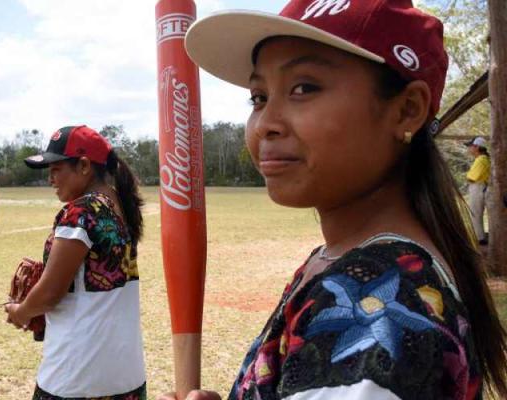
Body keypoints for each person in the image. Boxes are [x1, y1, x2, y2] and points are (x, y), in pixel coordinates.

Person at [160, 0, 507, 399]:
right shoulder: (343, 260)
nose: (266, 125)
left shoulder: (377, 309)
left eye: (304, 88)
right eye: (258, 97)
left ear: (407, 110)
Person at [4, 125, 147, 399]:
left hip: (75, 378)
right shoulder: (121, 207)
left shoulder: (79, 212)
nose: (50, 179)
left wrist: (20, 311)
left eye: (56, 169)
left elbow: (49, 294)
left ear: (84, 166)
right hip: (126, 377)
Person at [465, 137, 490, 245]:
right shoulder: (483, 159)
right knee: (477, 213)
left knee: (476, 213)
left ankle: (479, 238)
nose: (469, 149)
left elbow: (471, 177)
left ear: (477, 147)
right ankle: (480, 237)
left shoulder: (481, 160)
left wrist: (467, 176)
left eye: (470, 146)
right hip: (481, 186)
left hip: (478, 187)